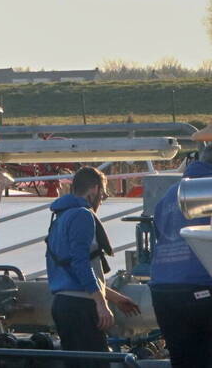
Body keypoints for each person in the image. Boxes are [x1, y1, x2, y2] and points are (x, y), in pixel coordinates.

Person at [45, 166, 141, 366]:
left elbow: (71, 270)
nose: (101, 201)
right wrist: (101, 304)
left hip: (62, 305)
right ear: (95, 190)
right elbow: (81, 264)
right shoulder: (82, 215)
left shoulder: (60, 217)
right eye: (103, 196)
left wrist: (116, 297)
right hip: (82, 307)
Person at [149, 140, 212, 367]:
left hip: (163, 291)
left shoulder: (169, 194)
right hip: (201, 286)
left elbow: (159, 232)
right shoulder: (207, 189)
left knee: (183, 360)